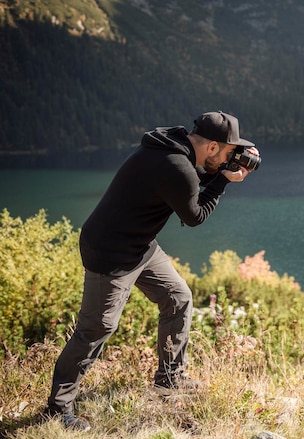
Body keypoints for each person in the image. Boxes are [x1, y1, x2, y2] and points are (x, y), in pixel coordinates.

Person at [45, 111, 259, 431]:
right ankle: (57, 409)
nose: (231, 157)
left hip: (140, 246)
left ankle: (170, 380)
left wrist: (222, 170)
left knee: (178, 297)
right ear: (212, 148)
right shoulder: (175, 166)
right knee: (97, 328)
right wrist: (223, 181)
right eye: (229, 152)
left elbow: (189, 180)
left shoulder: (168, 146)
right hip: (110, 252)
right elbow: (195, 215)